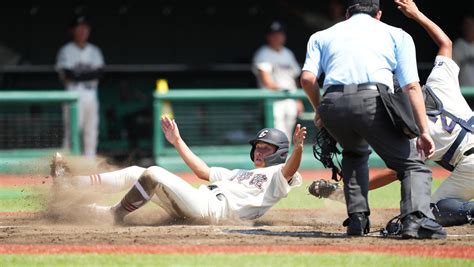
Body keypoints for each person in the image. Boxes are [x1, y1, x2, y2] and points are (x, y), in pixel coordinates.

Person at [310, 0, 474, 228]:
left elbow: (391, 173)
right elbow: (445, 43)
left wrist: (340, 190)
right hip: (468, 154)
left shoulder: (412, 128)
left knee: (428, 212)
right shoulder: (439, 82)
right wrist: (417, 15)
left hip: (469, 165)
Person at [50, 115, 306, 224]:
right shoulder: (239, 172)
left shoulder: (278, 176)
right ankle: (70, 184)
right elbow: (202, 171)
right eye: (258, 147)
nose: (259, 152)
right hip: (198, 200)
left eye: (266, 148)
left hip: (213, 212)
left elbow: (289, 170)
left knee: (154, 173)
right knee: (138, 171)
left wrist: (298, 149)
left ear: (280, 153)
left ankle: (113, 214)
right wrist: (177, 141)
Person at [56, 15, 105, 158]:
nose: (83, 31)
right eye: (79, 27)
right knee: (72, 132)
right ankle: (64, 166)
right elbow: (67, 74)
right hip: (73, 94)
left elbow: (100, 74)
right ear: (73, 30)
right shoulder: (66, 50)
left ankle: (89, 166)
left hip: (91, 94)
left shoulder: (95, 51)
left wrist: (78, 75)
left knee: (91, 132)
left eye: (85, 27)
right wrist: (89, 74)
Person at [252, 21, 303, 140]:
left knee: (289, 133)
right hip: (273, 101)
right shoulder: (262, 54)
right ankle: (277, 158)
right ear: (268, 36)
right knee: (276, 133)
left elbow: (294, 78)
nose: (277, 37)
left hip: (290, 99)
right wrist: (284, 90)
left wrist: (298, 99)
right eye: (274, 34)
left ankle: (286, 157)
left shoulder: (288, 53)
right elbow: (266, 82)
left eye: (280, 34)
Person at [453, 14, 474, 88]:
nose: (469, 28)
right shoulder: (458, 45)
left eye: (471, 25)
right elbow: (452, 71)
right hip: (463, 91)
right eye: (467, 25)